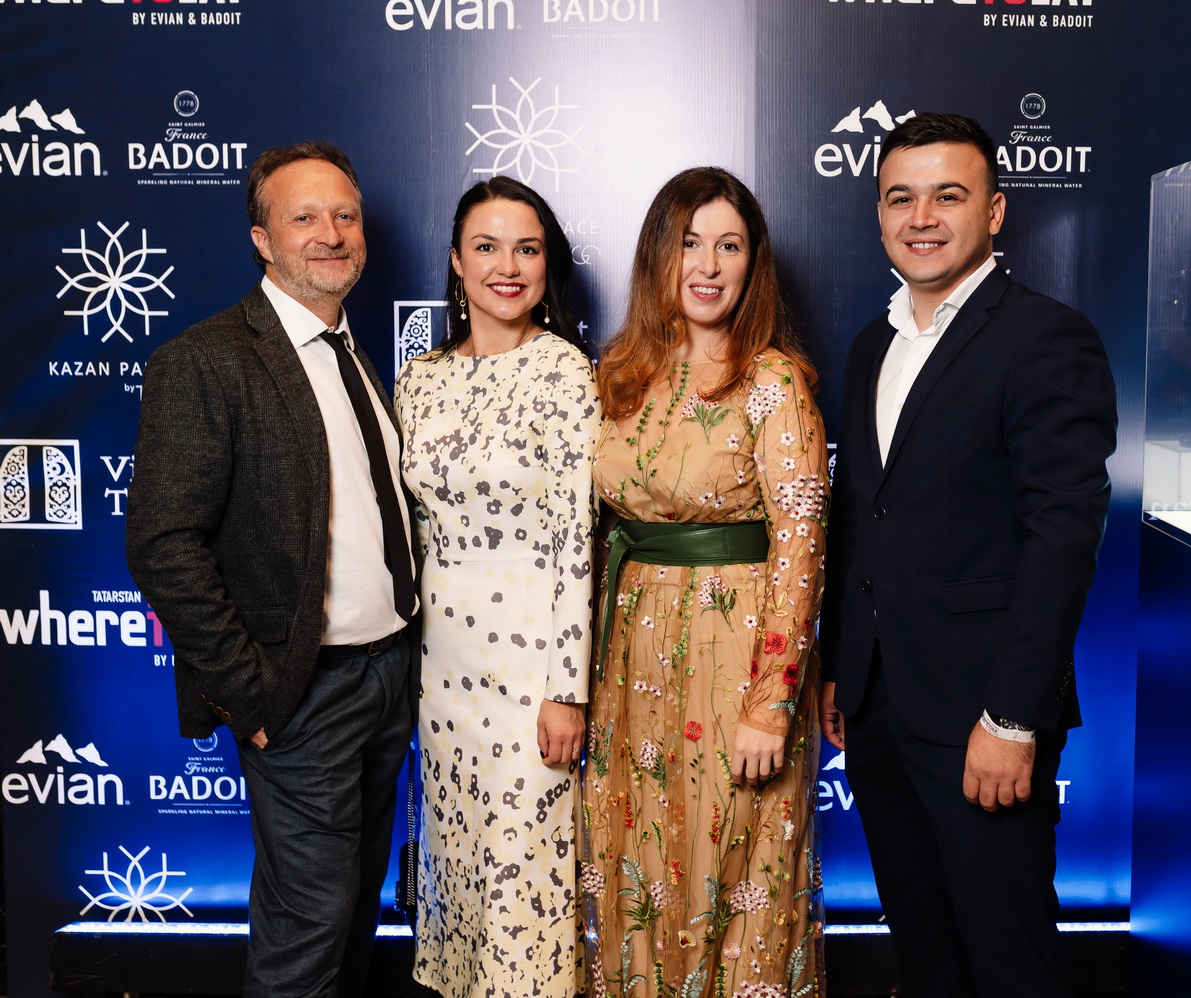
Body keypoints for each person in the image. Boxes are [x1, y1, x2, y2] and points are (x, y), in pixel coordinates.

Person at [819, 112, 1117, 998]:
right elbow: (861, 518)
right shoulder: (872, 345)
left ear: (993, 211)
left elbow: (1061, 539)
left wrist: (1014, 718)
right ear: (879, 214)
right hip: (878, 708)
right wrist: (842, 669)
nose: (921, 217)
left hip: (984, 716)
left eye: (947, 196)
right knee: (926, 952)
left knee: (1009, 957)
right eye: (900, 198)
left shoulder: (1044, 337)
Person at [125, 141, 416, 997]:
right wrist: (250, 697)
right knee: (307, 930)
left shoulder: (353, 353)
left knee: (352, 913)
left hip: (388, 677)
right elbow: (162, 544)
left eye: (345, 216)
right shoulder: (208, 359)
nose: (332, 234)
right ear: (262, 239)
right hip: (301, 694)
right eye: (305, 218)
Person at [582, 167, 826, 998]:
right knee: (642, 867)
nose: (709, 265)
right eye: (691, 243)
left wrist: (772, 701)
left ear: (754, 263)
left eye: (730, 246)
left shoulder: (771, 382)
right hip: (631, 662)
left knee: (735, 872)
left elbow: (801, 546)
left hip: (735, 657)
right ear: (661, 253)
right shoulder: (620, 375)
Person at [394, 176, 600, 998]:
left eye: (527, 248)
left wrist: (566, 689)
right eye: (487, 247)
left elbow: (578, 540)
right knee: (461, 878)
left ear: (549, 264)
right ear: (456, 261)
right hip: (441, 676)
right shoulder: (419, 378)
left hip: (529, 678)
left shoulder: (565, 372)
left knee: (525, 885)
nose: (507, 267)